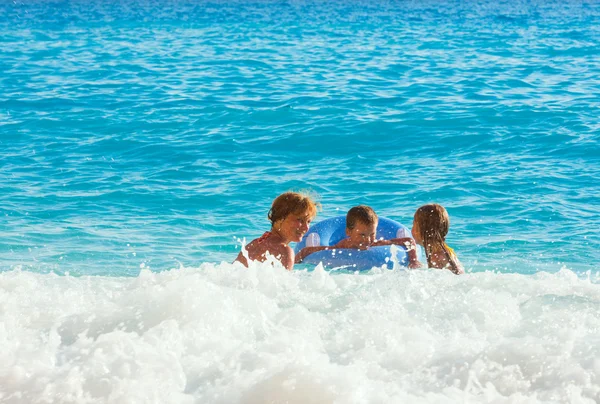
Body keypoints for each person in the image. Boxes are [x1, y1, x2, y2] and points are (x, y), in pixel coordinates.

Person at [295, 205, 421, 268]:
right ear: (348, 232)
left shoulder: (375, 243)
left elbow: (408, 241)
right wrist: (298, 259)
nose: (368, 240)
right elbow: (310, 250)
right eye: (362, 235)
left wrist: (414, 260)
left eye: (372, 234)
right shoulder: (343, 245)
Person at [234, 192, 318, 270]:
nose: (306, 227)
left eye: (308, 221)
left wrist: (303, 253)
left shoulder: (255, 243)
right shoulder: (284, 251)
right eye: (300, 220)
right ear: (280, 219)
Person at [411, 203, 464, 274]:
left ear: (424, 230)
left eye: (414, 225)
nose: (412, 229)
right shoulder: (445, 251)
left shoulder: (437, 257)